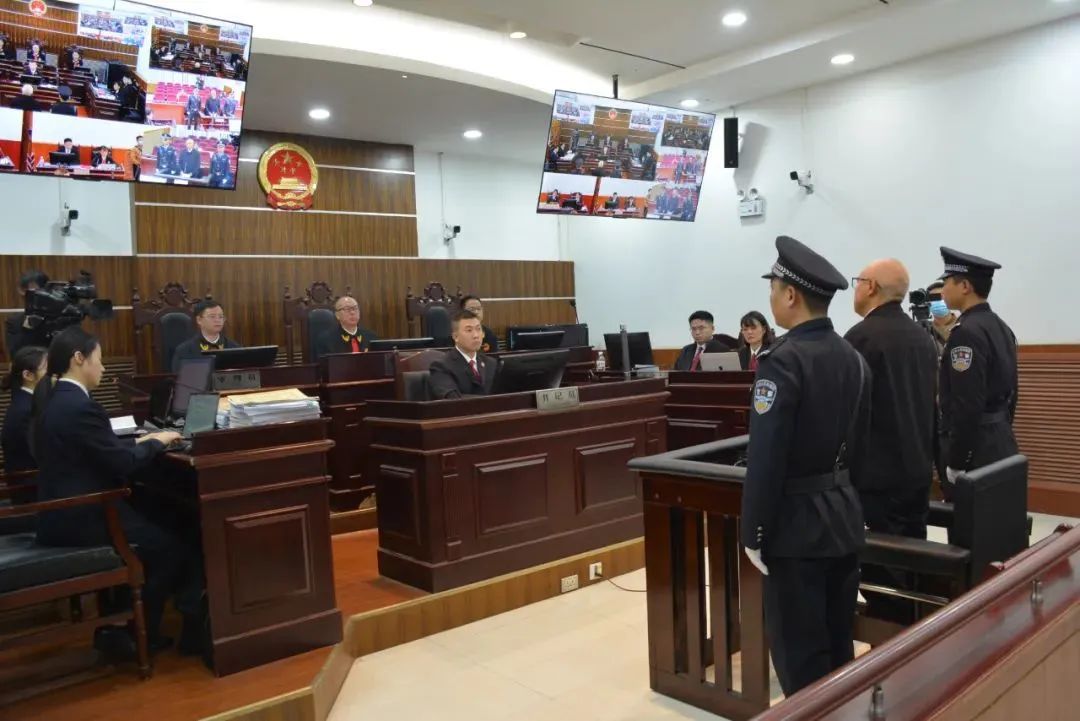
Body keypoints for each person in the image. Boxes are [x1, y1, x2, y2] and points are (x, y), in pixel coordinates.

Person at [741, 235, 868, 697]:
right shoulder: (853, 357)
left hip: (796, 527)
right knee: (837, 647)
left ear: (791, 295)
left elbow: (767, 457)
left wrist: (753, 531)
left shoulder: (782, 361)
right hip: (843, 516)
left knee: (800, 658)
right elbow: (861, 444)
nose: (771, 297)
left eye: (773, 288)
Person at [30, 327, 203, 654]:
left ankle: (146, 621)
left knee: (170, 517)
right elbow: (122, 463)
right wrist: (156, 442)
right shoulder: (79, 406)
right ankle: (142, 635)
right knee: (172, 546)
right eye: (99, 359)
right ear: (79, 358)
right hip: (85, 515)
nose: (103, 367)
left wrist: (141, 442)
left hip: (63, 510)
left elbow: (96, 449)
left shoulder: (55, 399)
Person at [844, 259, 938, 539]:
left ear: (871, 287)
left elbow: (848, 412)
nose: (855, 290)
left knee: (881, 556)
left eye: (857, 282)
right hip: (918, 469)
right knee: (914, 548)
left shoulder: (860, 337)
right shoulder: (922, 337)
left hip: (877, 478)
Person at [937, 247, 1018, 498]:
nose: (942, 290)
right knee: (999, 517)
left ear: (965, 286)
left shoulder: (966, 333)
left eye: (947, 282)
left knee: (969, 521)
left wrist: (958, 460)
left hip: (977, 450)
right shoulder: (1000, 326)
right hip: (1000, 439)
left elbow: (967, 403)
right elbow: (1013, 392)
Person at [427, 310, 497, 399]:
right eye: (469, 330)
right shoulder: (441, 366)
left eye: (478, 329)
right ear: (455, 337)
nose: (476, 335)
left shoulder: (491, 363)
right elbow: (453, 399)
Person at [2, 345, 47, 476]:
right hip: (30, 482)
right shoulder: (26, 410)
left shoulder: (28, 402)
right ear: (28, 375)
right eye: (47, 369)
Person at [171, 300, 241, 371]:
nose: (218, 320)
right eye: (212, 316)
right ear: (199, 320)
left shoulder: (234, 348)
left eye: (221, 317)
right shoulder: (184, 351)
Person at [313, 296, 378, 359]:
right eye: (347, 309)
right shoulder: (326, 340)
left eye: (355, 308)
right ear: (337, 315)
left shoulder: (371, 337)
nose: (352, 312)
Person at [5, 269, 50, 356]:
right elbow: (15, 353)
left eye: (35, 292)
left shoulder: (58, 318)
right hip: (28, 362)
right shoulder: (14, 322)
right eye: (27, 292)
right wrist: (28, 326)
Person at [927, 279, 958, 357]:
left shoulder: (963, 326)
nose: (938, 301)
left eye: (942, 296)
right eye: (933, 298)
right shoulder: (925, 331)